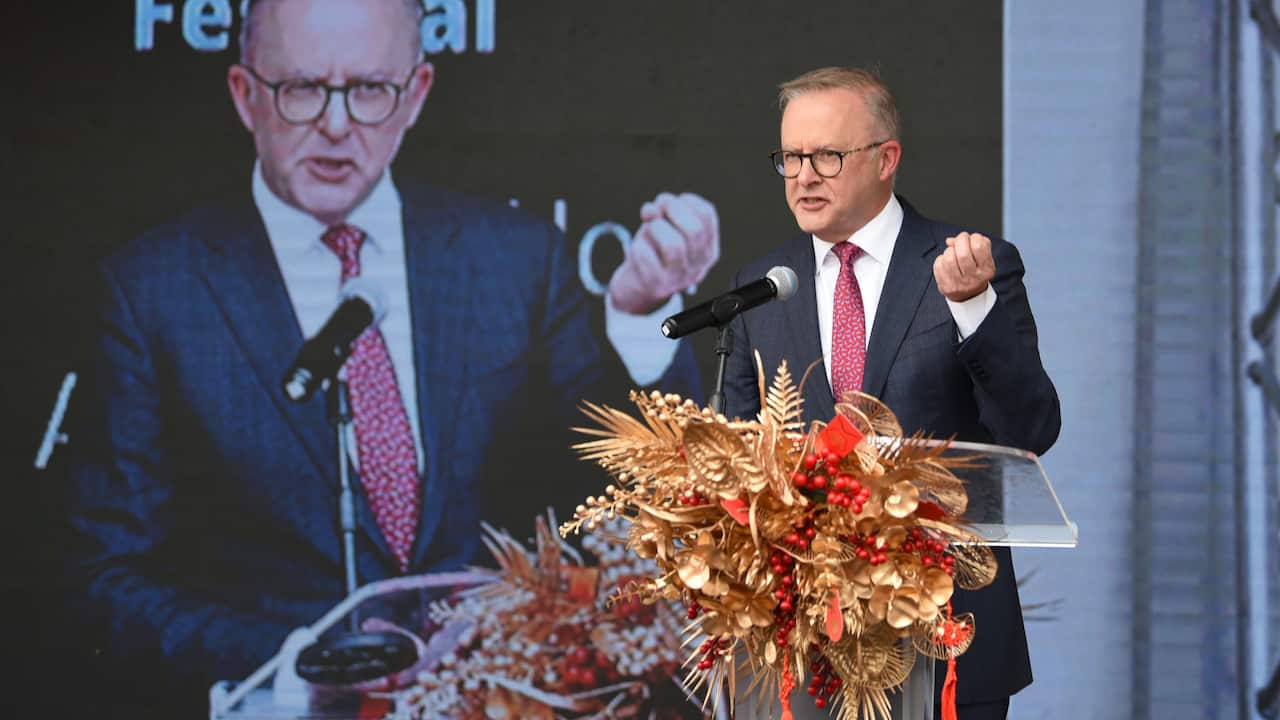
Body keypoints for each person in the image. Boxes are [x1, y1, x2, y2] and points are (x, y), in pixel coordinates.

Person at [65, 0, 719, 715]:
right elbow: (108, 578)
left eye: (371, 90)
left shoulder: (515, 261)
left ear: (416, 95)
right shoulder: (152, 292)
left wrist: (638, 316)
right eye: (303, 88)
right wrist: (293, 670)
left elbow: (618, 498)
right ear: (245, 96)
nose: (338, 125)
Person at [722, 67, 1061, 720]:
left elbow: (1032, 427)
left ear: (886, 159)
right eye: (790, 157)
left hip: (946, 641)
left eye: (826, 155)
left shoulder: (968, 267)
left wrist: (975, 311)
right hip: (804, 648)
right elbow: (737, 461)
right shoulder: (762, 289)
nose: (803, 175)